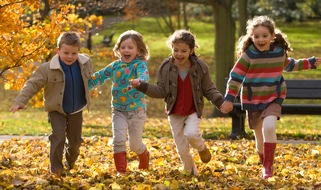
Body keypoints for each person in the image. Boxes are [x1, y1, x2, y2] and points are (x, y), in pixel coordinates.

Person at [223, 15, 320, 179]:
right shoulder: (248, 55)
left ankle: (268, 167)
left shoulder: (278, 52)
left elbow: (290, 65)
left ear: (272, 36)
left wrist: (309, 63)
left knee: (269, 127)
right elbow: (236, 77)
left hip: (273, 97)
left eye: (264, 36)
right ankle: (264, 161)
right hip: (253, 100)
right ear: (251, 37)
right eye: (256, 36)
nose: (260, 39)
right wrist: (229, 98)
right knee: (259, 137)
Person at [130, 29, 230, 175]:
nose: (179, 54)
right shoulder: (166, 67)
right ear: (171, 48)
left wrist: (221, 102)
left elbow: (209, 89)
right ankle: (190, 172)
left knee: (191, 134)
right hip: (174, 112)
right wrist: (142, 86)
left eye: (184, 51)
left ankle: (201, 148)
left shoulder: (200, 67)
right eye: (176, 50)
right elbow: (161, 91)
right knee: (182, 147)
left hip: (192, 110)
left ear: (191, 50)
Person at [11, 31, 93, 177]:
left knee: (75, 142)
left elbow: (91, 80)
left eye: (74, 53)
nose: (70, 56)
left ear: (78, 52)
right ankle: (55, 169)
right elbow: (32, 84)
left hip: (76, 109)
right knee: (58, 136)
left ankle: (70, 162)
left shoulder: (86, 63)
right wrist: (20, 101)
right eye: (65, 52)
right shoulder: (46, 69)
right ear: (57, 50)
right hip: (56, 109)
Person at [88, 30, 150, 174]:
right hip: (118, 111)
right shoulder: (114, 66)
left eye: (130, 47)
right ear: (118, 49)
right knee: (118, 140)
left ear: (138, 50)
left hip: (137, 111)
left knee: (135, 145)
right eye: (123, 47)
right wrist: (84, 86)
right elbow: (99, 77)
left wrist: (139, 81)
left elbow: (144, 75)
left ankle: (144, 154)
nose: (126, 50)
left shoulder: (139, 65)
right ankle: (121, 172)